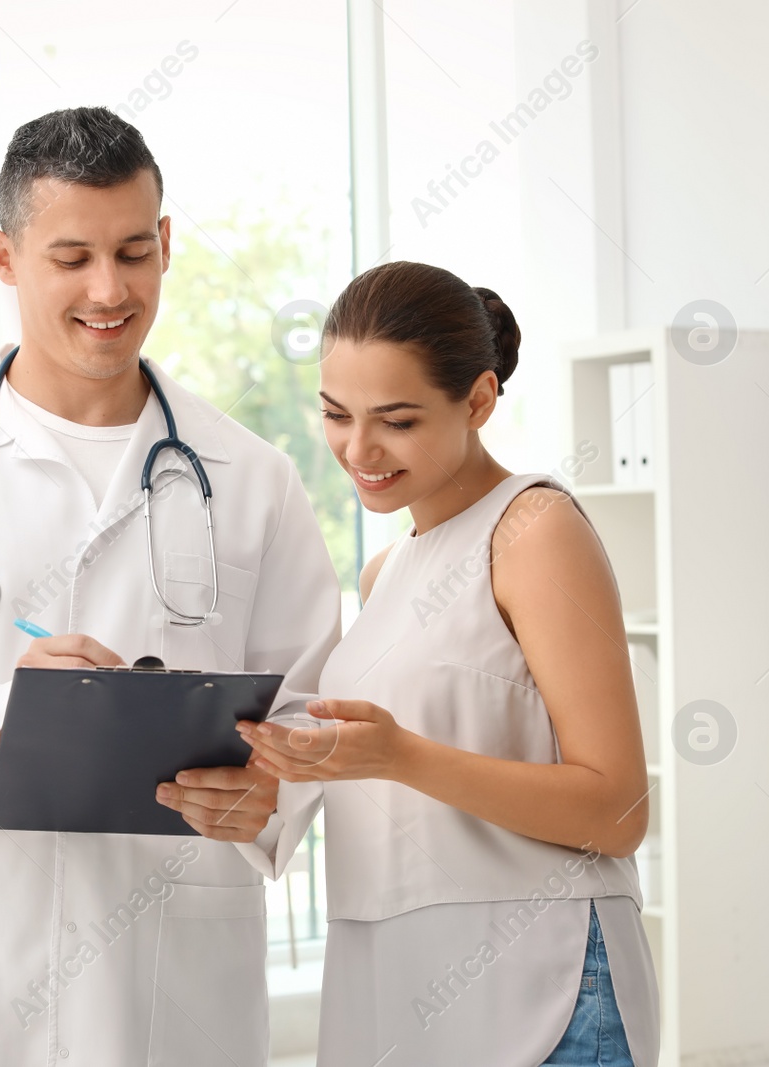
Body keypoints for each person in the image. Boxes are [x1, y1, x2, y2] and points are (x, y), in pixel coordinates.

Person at [0, 107, 341, 1066]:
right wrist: (4, 708)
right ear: (4, 257)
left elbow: (309, 717)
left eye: (134, 251)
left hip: (172, 982)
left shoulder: (251, 477)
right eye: (71, 256)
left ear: (167, 244)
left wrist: (267, 799)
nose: (108, 289)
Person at [238, 260, 661, 1067]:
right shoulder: (385, 573)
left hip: (541, 981)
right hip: (401, 984)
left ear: (478, 399)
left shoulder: (533, 530)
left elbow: (617, 808)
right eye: (335, 413)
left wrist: (400, 755)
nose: (358, 448)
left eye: (396, 420)